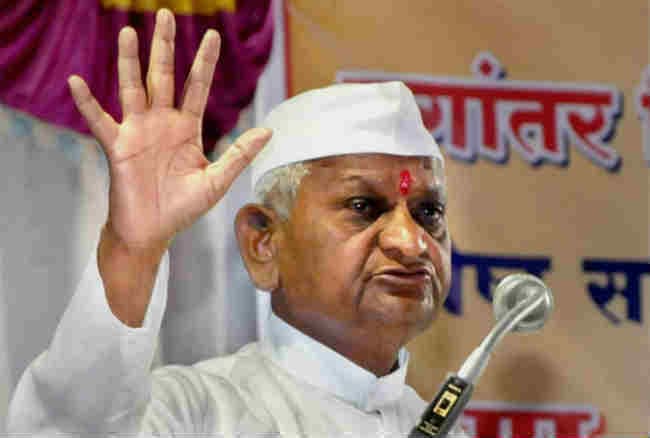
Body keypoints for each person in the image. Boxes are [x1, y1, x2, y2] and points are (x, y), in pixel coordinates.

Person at [7, 8, 462, 437]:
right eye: (363, 207)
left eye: (428, 213)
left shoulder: (446, 428)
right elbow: (71, 428)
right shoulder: (198, 414)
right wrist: (133, 249)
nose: (411, 242)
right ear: (263, 244)